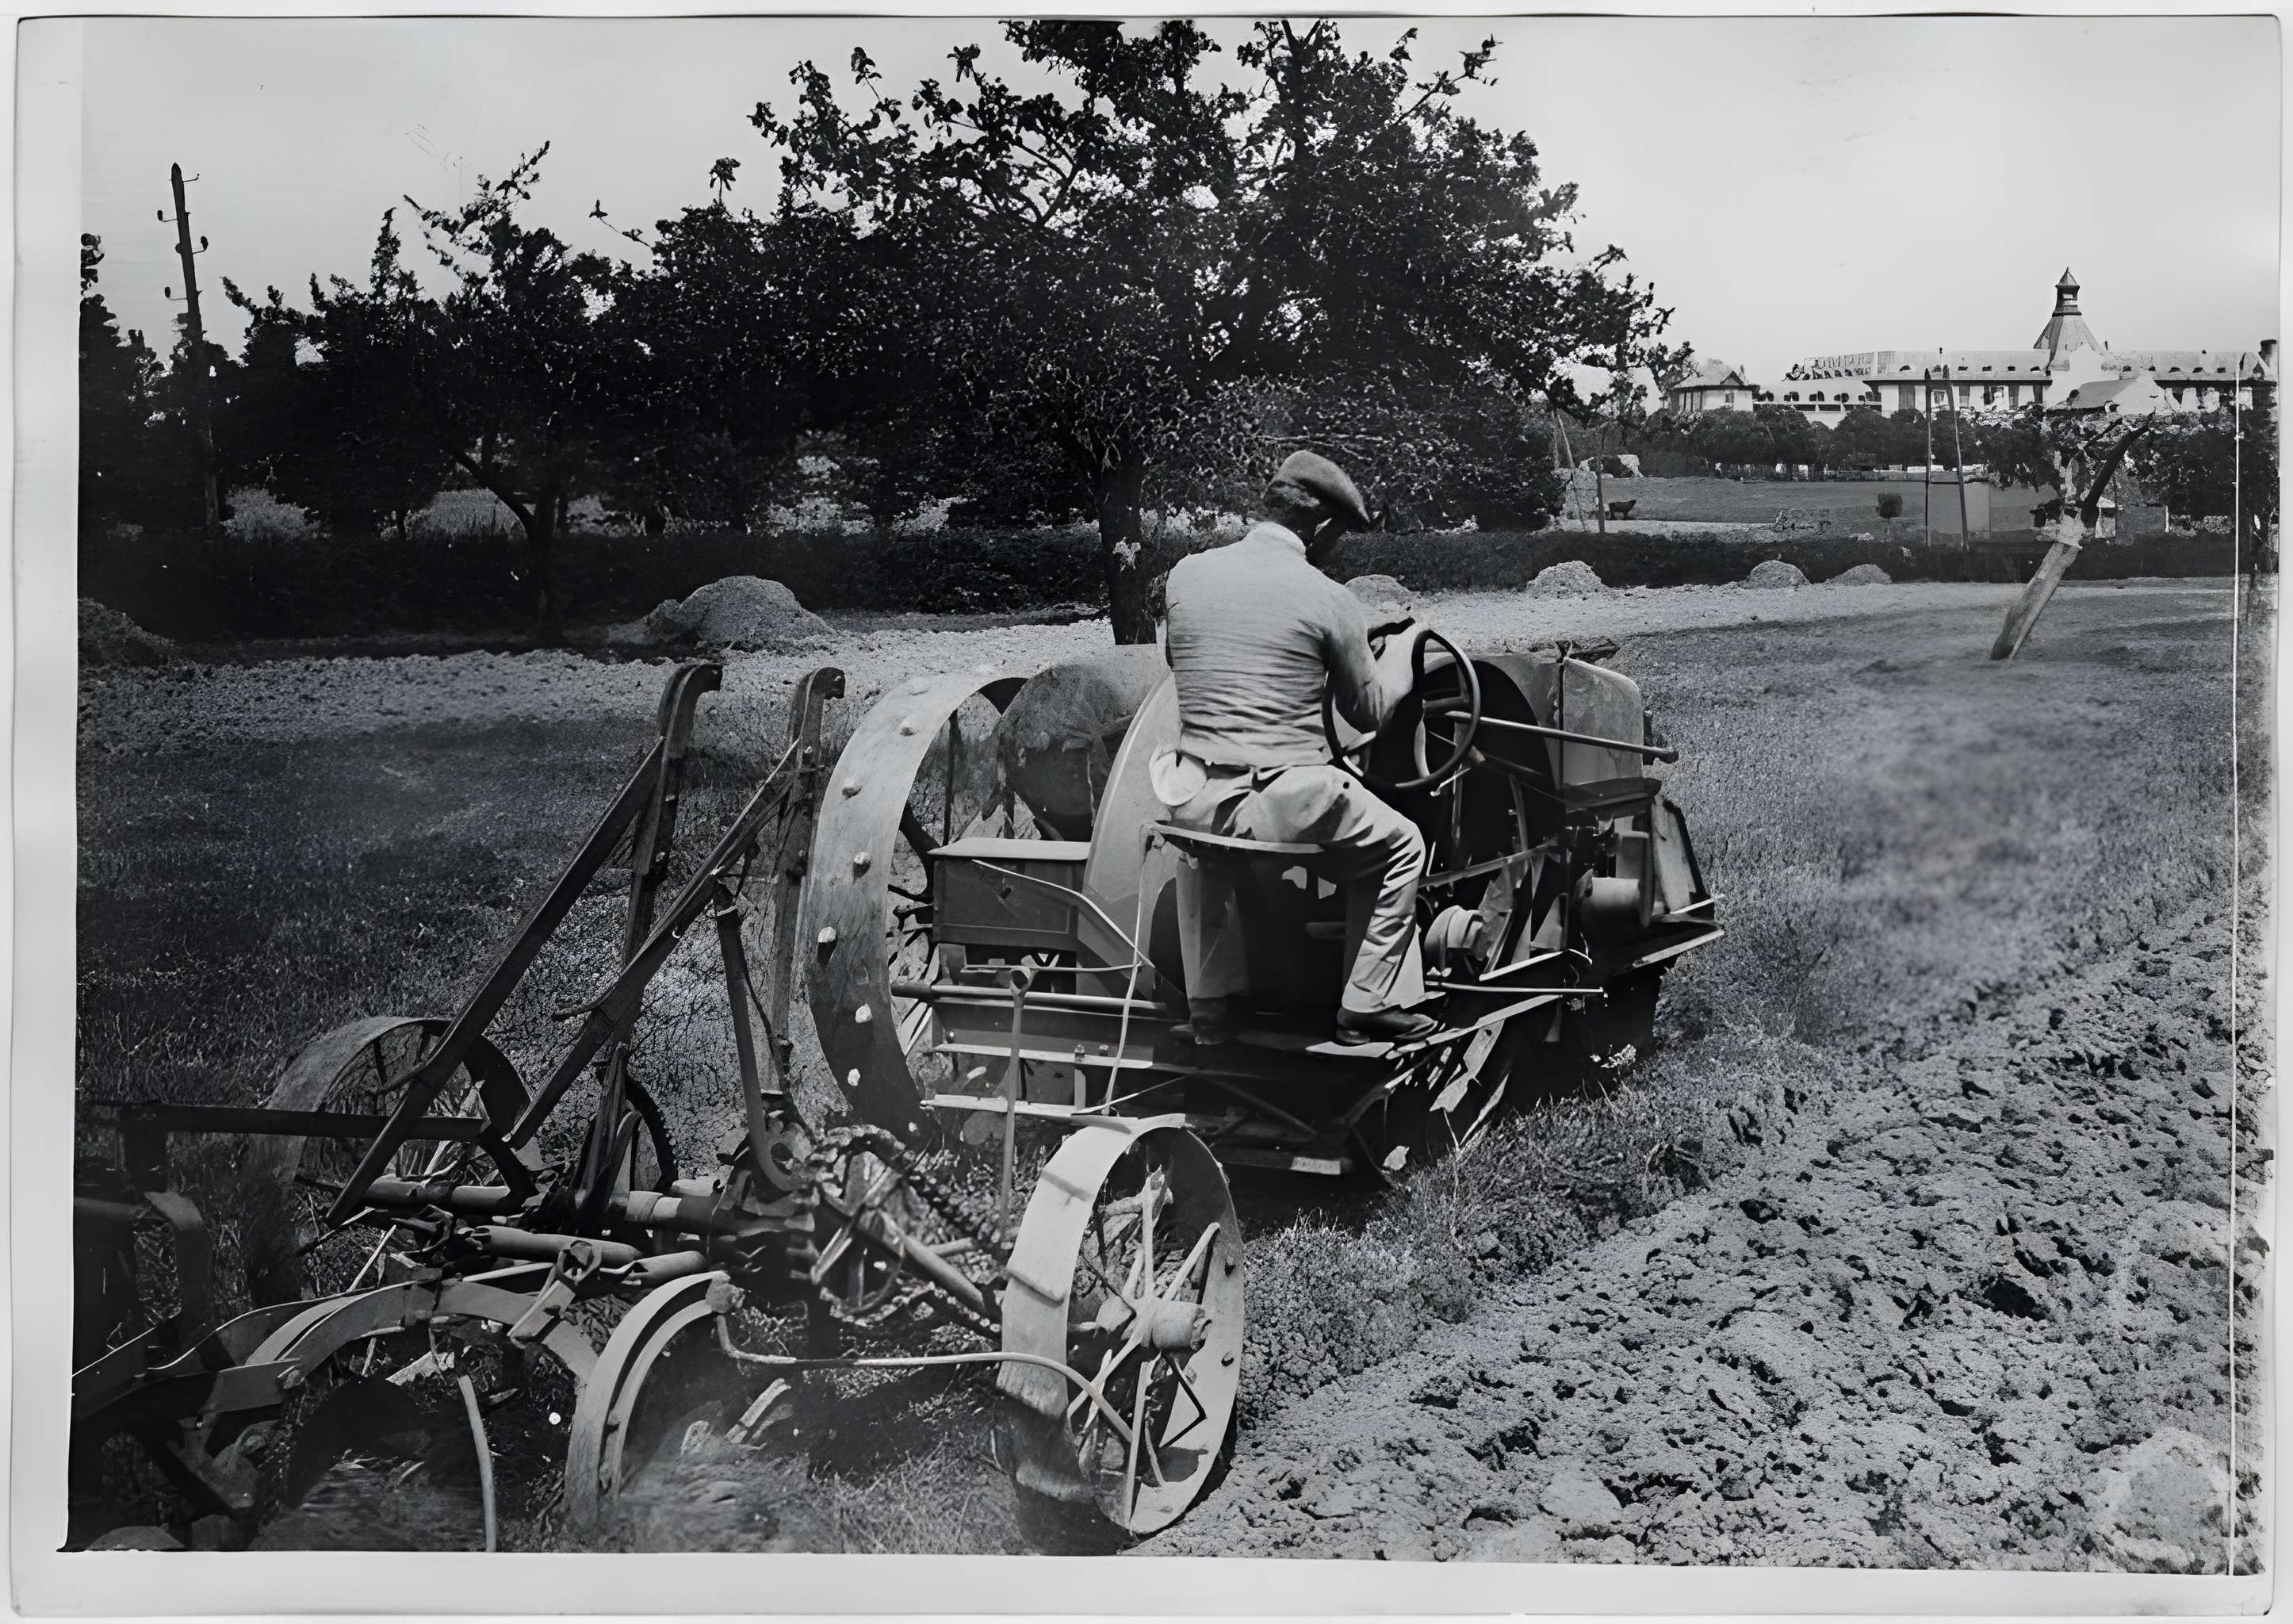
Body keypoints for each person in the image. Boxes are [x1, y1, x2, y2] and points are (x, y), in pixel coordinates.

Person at [1154, 450, 1435, 1047]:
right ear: (1325, 527)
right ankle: (1368, 1004)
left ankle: (1210, 1009)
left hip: (1192, 794)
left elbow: (1182, 658)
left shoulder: (1187, 575)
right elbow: (1370, 711)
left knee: (1207, 855)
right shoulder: (1328, 596)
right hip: (1282, 800)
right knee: (1403, 845)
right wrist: (1404, 650)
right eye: (1339, 535)